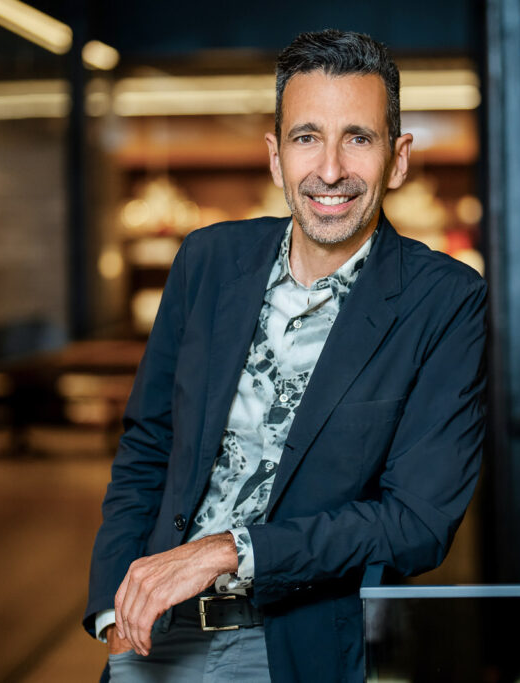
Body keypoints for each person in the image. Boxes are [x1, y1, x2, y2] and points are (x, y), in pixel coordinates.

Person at [84, 29, 487, 682]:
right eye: (306, 137)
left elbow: (417, 522)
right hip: (151, 643)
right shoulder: (207, 261)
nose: (330, 169)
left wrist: (229, 551)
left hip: (290, 650)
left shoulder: (444, 301)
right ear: (275, 157)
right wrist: (112, 606)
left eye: (358, 137)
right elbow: (148, 442)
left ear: (399, 157)